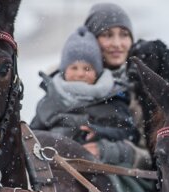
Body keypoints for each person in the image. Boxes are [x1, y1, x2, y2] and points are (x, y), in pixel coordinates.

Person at [84, 2, 169, 192]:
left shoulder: (144, 87)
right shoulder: (70, 79)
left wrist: (111, 151)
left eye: (124, 34)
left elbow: (160, 158)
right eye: (107, 35)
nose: (117, 44)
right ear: (91, 40)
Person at [30, 27, 137, 166]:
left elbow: (128, 133)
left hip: (97, 170)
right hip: (51, 169)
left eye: (87, 68)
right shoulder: (49, 102)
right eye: (74, 68)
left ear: (97, 72)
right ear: (64, 71)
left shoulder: (112, 101)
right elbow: (31, 136)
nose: (80, 74)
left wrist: (100, 133)